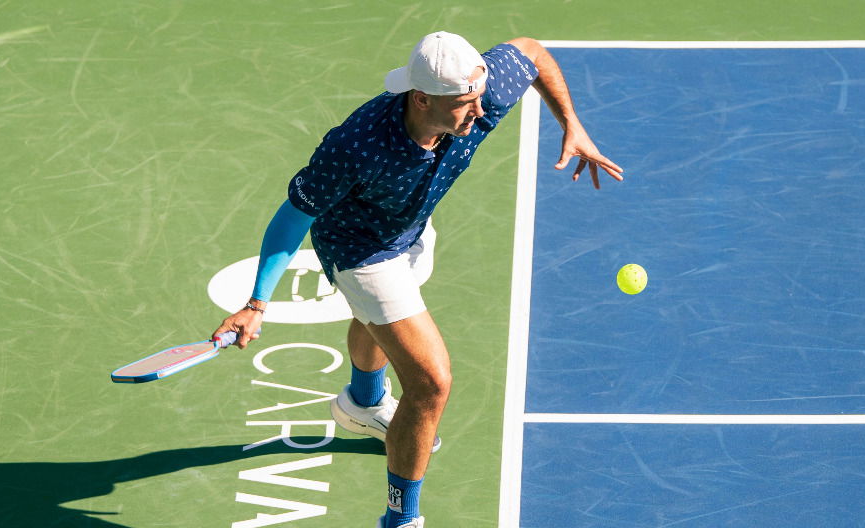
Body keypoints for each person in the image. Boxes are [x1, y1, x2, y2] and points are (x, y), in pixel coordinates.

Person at [213, 31, 623, 528]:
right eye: (464, 105)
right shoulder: (355, 146)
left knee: (379, 322)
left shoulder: (480, 93)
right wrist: (256, 304)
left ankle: (362, 403)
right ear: (422, 98)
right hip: (360, 248)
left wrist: (571, 124)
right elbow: (293, 217)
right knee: (430, 383)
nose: (479, 114)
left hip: (411, 225)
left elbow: (532, 51)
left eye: (479, 99)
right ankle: (400, 519)